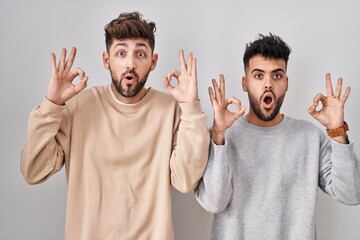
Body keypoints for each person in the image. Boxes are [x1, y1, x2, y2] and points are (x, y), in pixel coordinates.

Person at [20, 11, 209, 240]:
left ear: (153, 62)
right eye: (121, 53)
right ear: (106, 60)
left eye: (140, 53)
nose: (130, 63)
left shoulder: (170, 109)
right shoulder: (78, 107)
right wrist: (52, 105)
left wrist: (190, 107)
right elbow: (33, 170)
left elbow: (186, 180)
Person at [195, 33, 360, 240]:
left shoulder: (309, 137)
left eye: (277, 75)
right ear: (245, 83)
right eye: (258, 75)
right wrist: (219, 135)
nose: (268, 84)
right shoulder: (223, 136)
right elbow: (214, 202)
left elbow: (352, 194)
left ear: (287, 82)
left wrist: (337, 131)